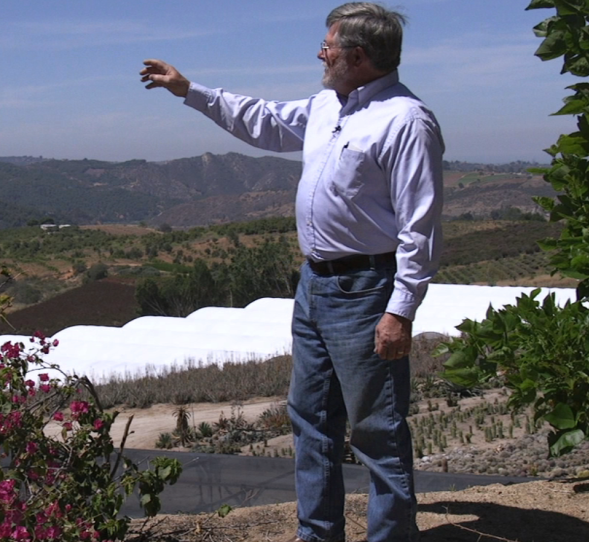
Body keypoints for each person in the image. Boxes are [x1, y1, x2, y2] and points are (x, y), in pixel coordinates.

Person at [140, 3, 442, 541]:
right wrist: (189, 90)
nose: (319, 53)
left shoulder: (405, 120)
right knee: (310, 420)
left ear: (357, 55)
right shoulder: (330, 105)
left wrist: (400, 310)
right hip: (316, 284)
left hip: (367, 289)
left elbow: (420, 226)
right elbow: (266, 121)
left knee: (378, 429)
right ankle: (317, 534)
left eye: (327, 46)